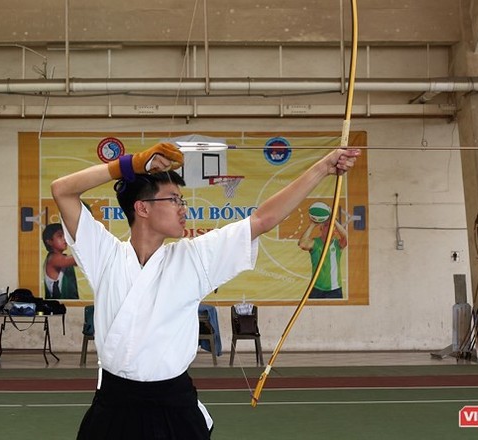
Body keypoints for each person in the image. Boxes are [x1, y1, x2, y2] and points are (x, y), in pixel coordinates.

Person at [51, 142, 359, 439]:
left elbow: (263, 219)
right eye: (173, 199)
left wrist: (322, 168)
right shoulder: (105, 255)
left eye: (181, 200)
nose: (182, 208)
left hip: (173, 405)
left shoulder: (194, 257)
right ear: (142, 208)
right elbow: (62, 189)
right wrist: (131, 163)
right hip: (114, 406)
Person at [297, 211, 349, 299]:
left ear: (335, 230)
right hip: (316, 289)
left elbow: (346, 237)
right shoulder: (315, 243)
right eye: (325, 226)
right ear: (320, 229)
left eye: (331, 226)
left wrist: (334, 221)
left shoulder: (337, 244)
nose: (328, 228)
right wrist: (313, 224)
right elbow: (302, 244)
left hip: (334, 290)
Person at [42, 222, 79, 299]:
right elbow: (76, 259)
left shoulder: (62, 259)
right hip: (57, 307)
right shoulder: (53, 259)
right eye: (60, 236)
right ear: (49, 241)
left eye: (65, 235)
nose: (64, 239)